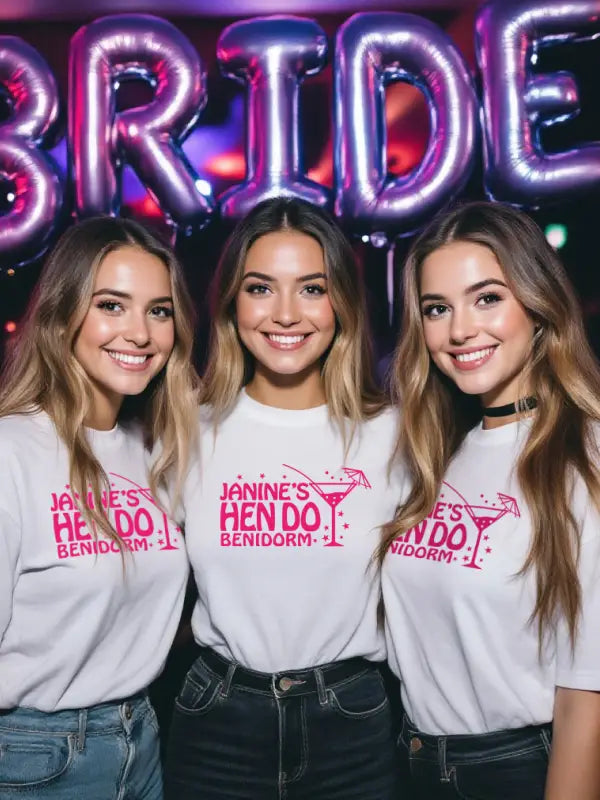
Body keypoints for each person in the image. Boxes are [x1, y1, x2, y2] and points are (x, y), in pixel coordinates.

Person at [164, 197, 404, 800]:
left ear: (342, 303)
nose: (287, 314)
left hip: (354, 723)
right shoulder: (184, 430)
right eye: (261, 288)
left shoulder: (397, 435)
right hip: (217, 718)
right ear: (232, 304)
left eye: (313, 289)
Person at [381, 201, 600, 799]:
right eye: (436, 308)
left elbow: (589, 692)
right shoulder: (431, 449)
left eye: (487, 298)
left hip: (523, 769)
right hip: (413, 761)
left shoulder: (586, 455)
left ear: (537, 304)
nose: (459, 330)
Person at [0, 216, 199, 798]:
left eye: (158, 311)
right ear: (64, 315)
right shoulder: (13, 449)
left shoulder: (155, 451)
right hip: (31, 752)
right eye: (112, 305)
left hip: (141, 739)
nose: (139, 333)